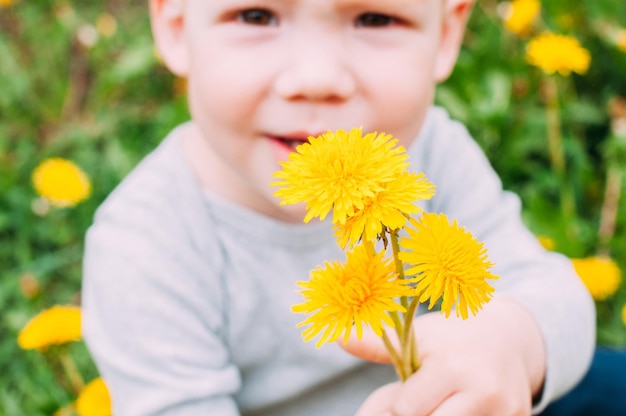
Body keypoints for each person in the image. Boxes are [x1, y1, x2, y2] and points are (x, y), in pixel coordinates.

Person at [81, 0, 596, 415]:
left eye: (375, 17)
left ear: (445, 34)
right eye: (256, 15)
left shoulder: (429, 154)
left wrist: (513, 343)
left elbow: (555, 296)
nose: (317, 78)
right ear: (175, 26)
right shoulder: (144, 245)